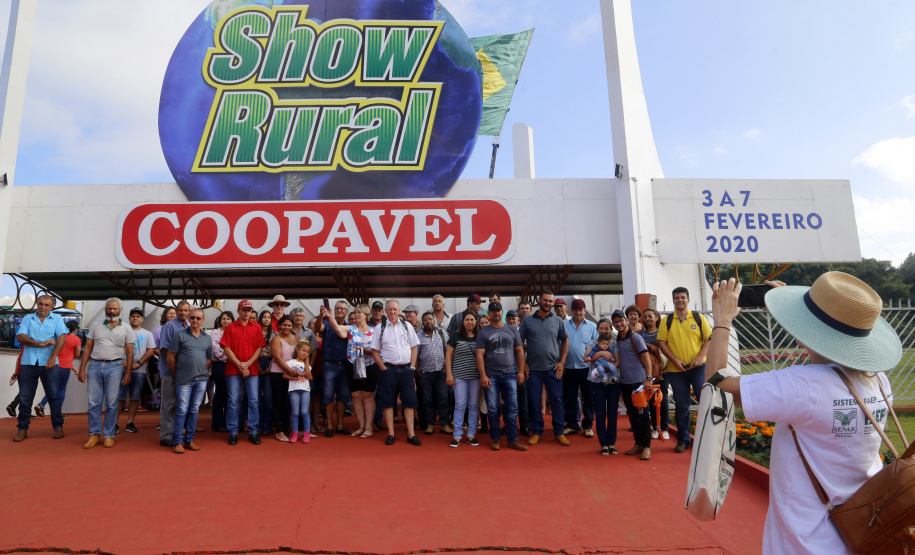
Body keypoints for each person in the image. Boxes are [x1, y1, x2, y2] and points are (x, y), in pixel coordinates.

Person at [708, 274, 900, 553]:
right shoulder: (879, 380)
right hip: (863, 530)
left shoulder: (804, 385)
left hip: (804, 542)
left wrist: (722, 321)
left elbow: (715, 385)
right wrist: (800, 318)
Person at [657, 286, 712, 453]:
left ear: (688, 299)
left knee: (705, 401)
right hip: (676, 370)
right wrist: (674, 360)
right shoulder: (667, 321)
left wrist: (700, 356)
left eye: (682, 297)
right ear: (673, 300)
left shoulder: (698, 317)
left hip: (698, 368)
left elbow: (708, 338)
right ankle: (683, 440)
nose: (680, 300)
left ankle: (708, 441)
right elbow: (662, 342)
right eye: (677, 298)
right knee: (682, 406)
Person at [79, 298, 135, 449]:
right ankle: (94, 435)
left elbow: (130, 353)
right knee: (93, 403)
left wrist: (128, 373)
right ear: (105, 309)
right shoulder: (95, 325)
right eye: (109, 308)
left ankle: (109, 435)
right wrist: (82, 369)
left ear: (120, 310)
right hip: (95, 365)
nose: (112, 311)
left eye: (115, 309)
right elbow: (88, 347)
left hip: (115, 366)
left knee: (111, 402)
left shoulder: (126, 328)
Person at [13, 294, 70, 442]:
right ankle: (22, 429)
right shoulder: (28, 318)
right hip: (28, 363)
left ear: (51, 307)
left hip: (49, 363)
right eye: (40, 304)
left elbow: (62, 337)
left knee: (53, 396)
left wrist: (52, 357)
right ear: (37, 304)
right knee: (25, 397)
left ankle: (58, 427)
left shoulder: (57, 319)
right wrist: (40, 344)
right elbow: (20, 337)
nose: (43, 307)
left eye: (46, 305)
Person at [367, 300, 421, 446]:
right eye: (389, 309)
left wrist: (412, 366)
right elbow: (375, 350)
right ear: (385, 311)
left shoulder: (407, 326)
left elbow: (414, 347)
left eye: (395, 309)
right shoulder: (380, 328)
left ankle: (411, 434)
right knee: (388, 402)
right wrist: (383, 368)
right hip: (388, 370)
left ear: (399, 310)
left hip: (406, 370)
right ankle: (391, 433)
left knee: (409, 403)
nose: (392, 312)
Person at [519, 291, 570, 446]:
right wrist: (523, 363)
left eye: (551, 301)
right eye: (546, 300)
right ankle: (537, 432)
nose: (548, 303)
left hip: (553, 368)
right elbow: (519, 343)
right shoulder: (527, 321)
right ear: (540, 300)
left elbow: (565, 341)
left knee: (557, 400)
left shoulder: (558, 321)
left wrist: (562, 362)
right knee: (534, 401)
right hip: (533, 369)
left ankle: (559, 432)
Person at [476, 302, 527, 451]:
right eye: (493, 311)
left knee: (512, 408)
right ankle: (496, 438)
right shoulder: (483, 333)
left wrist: (521, 371)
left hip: (510, 374)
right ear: (489, 313)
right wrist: (483, 375)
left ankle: (513, 439)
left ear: (502, 312)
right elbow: (479, 355)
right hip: (491, 375)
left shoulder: (512, 330)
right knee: (492, 409)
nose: (496, 313)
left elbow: (519, 351)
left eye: (498, 310)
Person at [325, 303, 377, 438]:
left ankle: (369, 427)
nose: (356, 314)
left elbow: (380, 349)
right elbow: (337, 328)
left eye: (359, 312)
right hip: (352, 365)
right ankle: (361, 426)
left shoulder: (375, 330)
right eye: (355, 312)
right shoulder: (351, 329)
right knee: (356, 397)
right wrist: (330, 316)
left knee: (368, 396)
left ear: (366, 315)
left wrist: (368, 351)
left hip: (370, 366)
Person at [168, 308, 213, 454]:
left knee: (194, 410)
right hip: (184, 380)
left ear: (203, 320)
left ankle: (189, 440)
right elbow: (170, 357)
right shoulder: (179, 335)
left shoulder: (207, 338)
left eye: (198, 318)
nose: (195, 320)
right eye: (192, 317)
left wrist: (202, 370)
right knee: (181, 410)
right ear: (188, 318)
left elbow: (209, 358)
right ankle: (177, 441)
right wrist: (178, 373)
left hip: (201, 380)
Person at [221, 300, 266, 446]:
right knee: (233, 400)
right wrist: (240, 364)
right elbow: (226, 348)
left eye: (249, 310)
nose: (247, 313)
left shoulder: (257, 327)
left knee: (254, 400)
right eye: (244, 310)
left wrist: (247, 364)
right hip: (234, 369)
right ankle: (233, 432)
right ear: (238, 311)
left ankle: (253, 431)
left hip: (251, 368)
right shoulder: (230, 327)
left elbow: (259, 348)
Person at [611, 310, 653, 461]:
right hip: (625, 383)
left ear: (626, 321)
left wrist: (648, 378)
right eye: (616, 322)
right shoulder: (617, 340)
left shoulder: (635, 337)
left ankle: (646, 446)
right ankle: (638, 443)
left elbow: (646, 357)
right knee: (633, 415)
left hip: (639, 383)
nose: (619, 324)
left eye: (621, 320)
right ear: (613, 324)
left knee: (643, 416)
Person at [562, 299, 598, 438]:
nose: (578, 312)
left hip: (586, 368)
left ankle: (588, 425)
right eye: (576, 310)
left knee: (588, 397)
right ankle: (572, 424)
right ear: (571, 310)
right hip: (568, 367)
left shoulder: (592, 326)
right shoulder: (564, 325)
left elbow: (597, 346)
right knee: (569, 397)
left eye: (581, 310)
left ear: (585, 311)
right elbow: (560, 344)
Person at [157, 301, 190, 447]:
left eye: (186, 310)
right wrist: (179, 360)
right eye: (181, 310)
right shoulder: (169, 326)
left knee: (180, 405)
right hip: (170, 371)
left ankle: (176, 434)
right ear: (176, 311)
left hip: (185, 372)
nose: (183, 313)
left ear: (189, 312)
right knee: (168, 404)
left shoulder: (188, 326)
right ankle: (166, 436)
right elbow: (164, 349)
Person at [317, 300, 352, 437]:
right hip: (329, 365)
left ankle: (340, 425)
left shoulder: (350, 327)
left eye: (342, 308)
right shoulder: (326, 324)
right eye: (337, 308)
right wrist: (321, 315)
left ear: (347, 312)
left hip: (344, 365)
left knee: (343, 397)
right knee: (328, 396)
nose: (339, 310)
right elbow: (317, 328)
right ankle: (330, 426)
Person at [445, 311, 480, 447]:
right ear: (463, 322)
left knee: (473, 405)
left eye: (472, 319)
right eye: (467, 319)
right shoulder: (456, 336)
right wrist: (449, 374)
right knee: (460, 405)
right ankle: (457, 435)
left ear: (476, 322)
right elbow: (448, 355)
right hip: (459, 376)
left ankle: (471, 435)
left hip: (475, 376)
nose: (470, 322)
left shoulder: (480, 336)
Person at [117, 308, 155, 434]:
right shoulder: (122, 331)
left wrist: (139, 363)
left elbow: (150, 350)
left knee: (135, 396)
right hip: (121, 368)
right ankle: (114, 423)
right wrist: (123, 361)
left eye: (138, 316)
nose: (135, 318)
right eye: (133, 316)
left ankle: (130, 422)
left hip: (139, 370)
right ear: (129, 318)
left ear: (142, 319)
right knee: (119, 396)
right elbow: (117, 347)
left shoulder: (148, 334)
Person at [34, 320, 81, 420]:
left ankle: (42, 404)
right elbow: (77, 354)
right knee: (61, 389)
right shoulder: (76, 339)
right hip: (65, 367)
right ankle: (56, 411)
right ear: (75, 330)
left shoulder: (59, 337)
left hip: (54, 365)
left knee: (53, 388)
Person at [584, 334, 620, 455]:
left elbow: (617, 361)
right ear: (598, 330)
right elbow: (586, 358)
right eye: (601, 328)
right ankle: (603, 444)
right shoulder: (592, 343)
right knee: (600, 414)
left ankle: (612, 443)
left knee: (612, 414)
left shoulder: (613, 344)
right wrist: (600, 353)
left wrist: (607, 369)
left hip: (613, 383)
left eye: (607, 328)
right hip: (597, 382)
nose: (604, 330)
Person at [416, 311, 451, 435]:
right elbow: (415, 355)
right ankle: (430, 424)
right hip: (425, 373)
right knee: (427, 400)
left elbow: (449, 352)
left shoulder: (442, 334)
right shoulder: (418, 337)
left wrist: (446, 368)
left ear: (434, 321)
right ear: (422, 322)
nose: (428, 322)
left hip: (441, 373)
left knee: (443, 398)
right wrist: (417, 371)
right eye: (426, 320)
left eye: (430, 319)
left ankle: (444, 424)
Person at [641, 307, 669, 441]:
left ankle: (665, 428)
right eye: (645, 317)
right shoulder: (642, 335)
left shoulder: (662, 332)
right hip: (650, 371)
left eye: (650, 316)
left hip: (663, 369)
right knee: (652, 399)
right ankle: (655, 427)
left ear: (657, 317)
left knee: (663, 399)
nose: (648, 319)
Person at [269, 315, 297, 441]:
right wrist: (290, 371)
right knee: (278, 402)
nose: (287, 327)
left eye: (289, 325)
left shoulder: (296, 338)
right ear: (279, 325)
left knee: (288, 403)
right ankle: (279, 431)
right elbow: (277, 358)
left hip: (292, 375)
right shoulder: (276, 339)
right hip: (277, 374)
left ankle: (286, 429)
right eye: (284, 325)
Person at [283, 339, 313, 443]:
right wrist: (295, 378)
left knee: (305, 412)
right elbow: (284, 375)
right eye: (303, 350)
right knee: (295, 412)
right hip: (294, 390)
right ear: (297, 350)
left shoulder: (307, 366)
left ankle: (306, 433)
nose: (305, 353)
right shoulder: (291, 362)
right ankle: (295, 432)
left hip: (305, 390)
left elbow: (311, 378)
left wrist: (307, 375)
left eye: (307, 352)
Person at [209, 311, 234, 432]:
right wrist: (231, 355)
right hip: (220, 365)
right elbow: (216, 350)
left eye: (229, 319)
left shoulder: (235, 331)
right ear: (220, 320)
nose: (226, 321)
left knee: (231, 395)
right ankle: (217, 423)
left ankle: (229, 422)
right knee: (220, 393)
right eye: (224, 318)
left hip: (233, 365)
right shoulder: (215, 332)